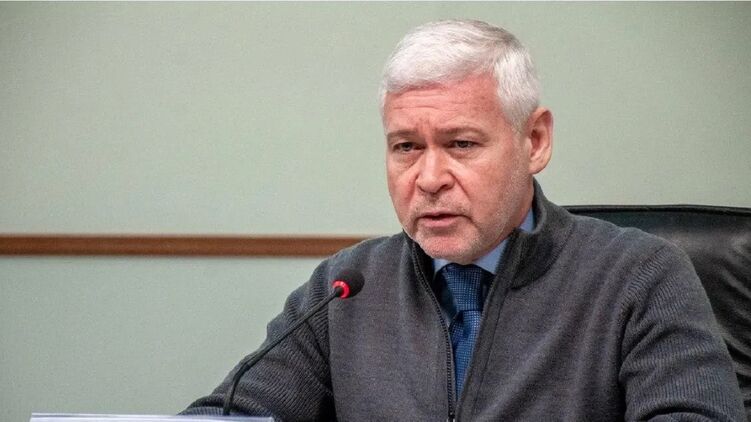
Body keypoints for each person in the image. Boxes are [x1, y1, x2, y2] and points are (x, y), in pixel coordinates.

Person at [183, 19, 745, 421]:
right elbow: (237, 412)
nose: (429, 178)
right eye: (406, 147)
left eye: (461, 144)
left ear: (535, 141)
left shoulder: (639, 277)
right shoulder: (347, 287)